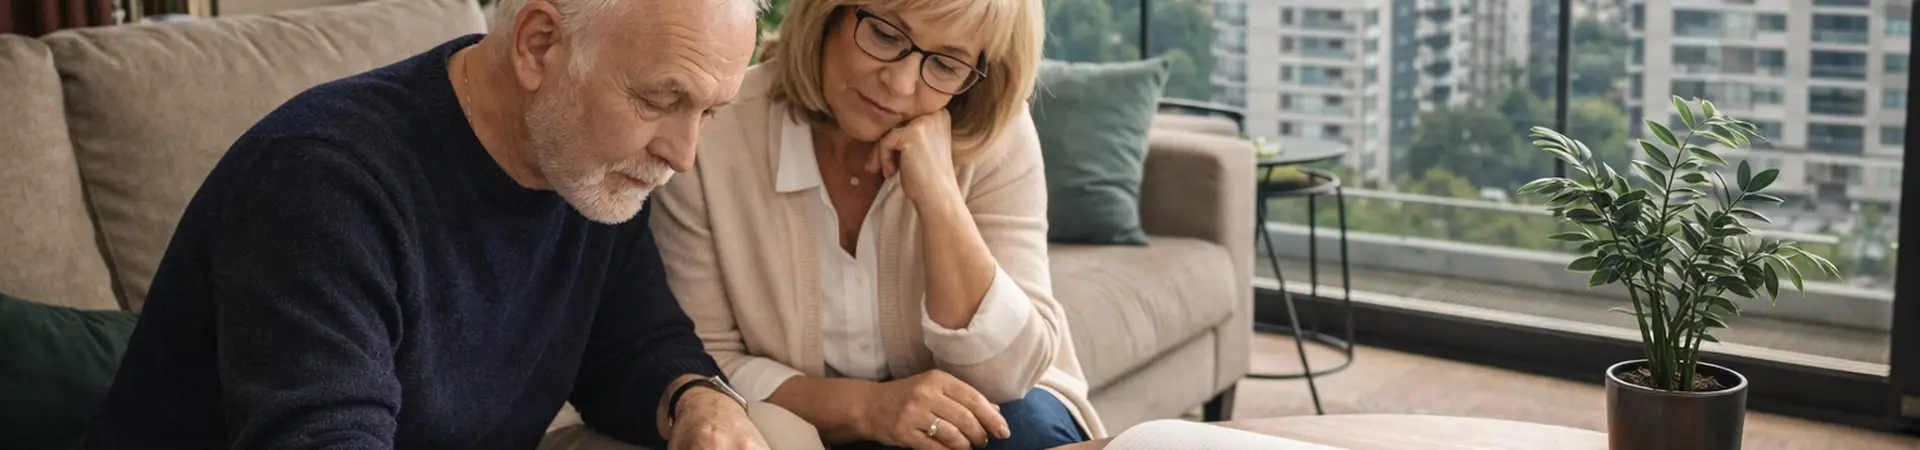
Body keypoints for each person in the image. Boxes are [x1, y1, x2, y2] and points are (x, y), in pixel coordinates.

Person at [81, 0, 770, 449]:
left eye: (709, 112)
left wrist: (697, 402)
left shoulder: (589, 168)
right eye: (660, 99)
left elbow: (633, 345)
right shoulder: (323, 183)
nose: (681, 155)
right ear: (538, 45)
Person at [647, 1, 1106, 449]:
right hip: (814, 418)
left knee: (1013, 428)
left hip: (1004, 411)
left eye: (946, 64)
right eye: (885, 35)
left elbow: (1008, 376)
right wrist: (871, 407)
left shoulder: (999, 135)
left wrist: (940, 196)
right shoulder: (713, 131)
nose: (901, 83)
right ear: (828, 14)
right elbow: (703, 360)